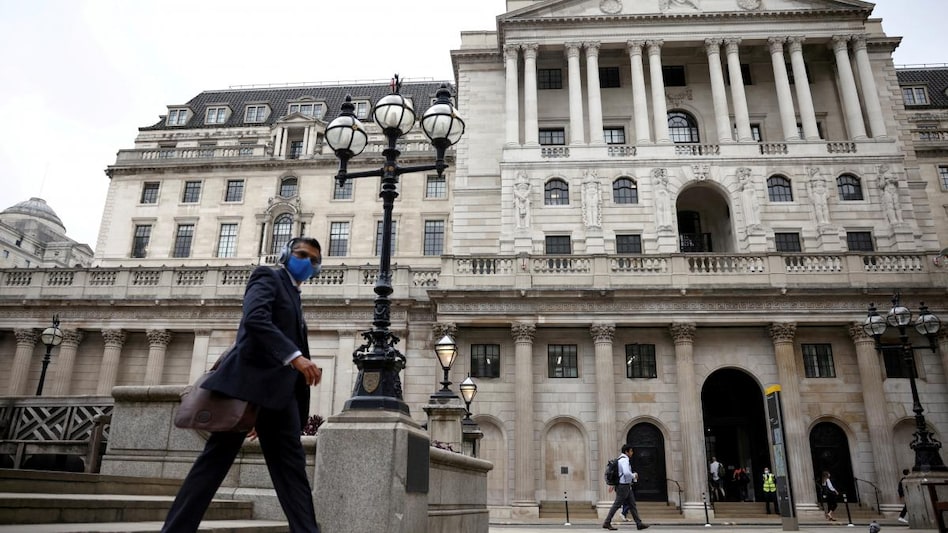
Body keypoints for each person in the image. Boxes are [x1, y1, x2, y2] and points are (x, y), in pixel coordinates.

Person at [161, 237, 325, 533]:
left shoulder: (295, 294)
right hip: (247, 390)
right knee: (214, 464)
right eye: (301, 254)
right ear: (286, 254)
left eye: (313, 260)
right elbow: (255, 320)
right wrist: (296, 357)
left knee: (292, 473)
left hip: (278, 397)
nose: (306, 262)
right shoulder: (267, 277)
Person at [603, 444, 649, 530]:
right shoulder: (624, 460)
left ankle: (639, 523)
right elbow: (626, 473)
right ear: (626, 452)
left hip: (625, 486)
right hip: (623, 486)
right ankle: (607, 522)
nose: (632, 453)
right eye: (631, 451)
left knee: (632, 505)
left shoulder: (620, 459)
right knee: (617, 504)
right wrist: (634, 475)